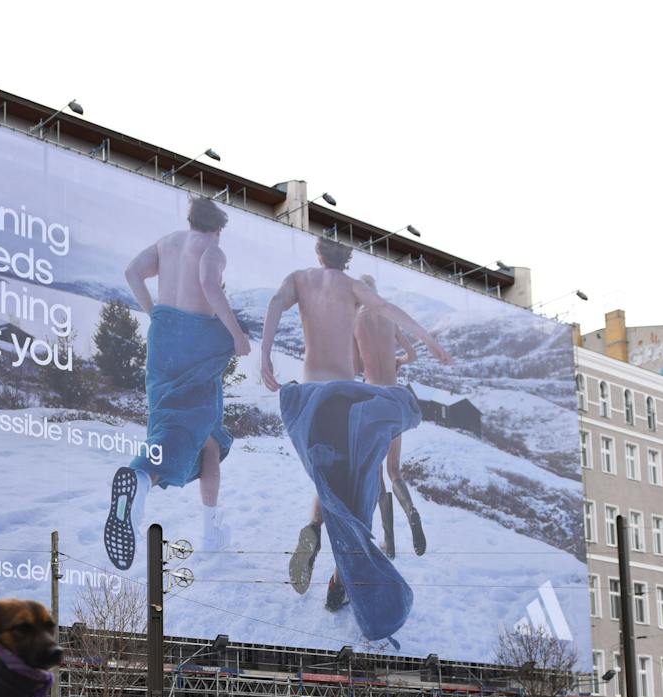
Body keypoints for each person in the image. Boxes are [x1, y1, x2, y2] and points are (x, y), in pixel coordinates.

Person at [258, 240, 452, 637]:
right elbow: (386, 309)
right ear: (346, 260)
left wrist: (264, 355)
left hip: (311, 397)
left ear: (318, 256)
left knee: (326, 476)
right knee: (357, 490)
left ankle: (314, 529)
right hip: (349, 402)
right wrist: (428, 340)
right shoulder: (351, 288)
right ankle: (339, 580)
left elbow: (276, 303)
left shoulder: (299, 280)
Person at [105, 196, 253, 567]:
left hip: (163, 337)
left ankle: (210, 528)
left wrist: (154, 312)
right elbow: (208, 284)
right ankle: (140, 476)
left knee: (202, 436)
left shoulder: (168, 241)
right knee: (189, 426)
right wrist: (236, 335)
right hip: (196, 342)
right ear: (218, 227)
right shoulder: (213, 248)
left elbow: (132, 273)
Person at [351, 275, 426, 560]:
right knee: (395, 469)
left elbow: (356, 365)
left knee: (377, 471)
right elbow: (412, 355)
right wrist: (396, 361)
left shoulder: (356, 321)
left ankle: (390, 543)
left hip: (372, 399)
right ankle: (412, 512)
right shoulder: (389, 316)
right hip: (395, 397)